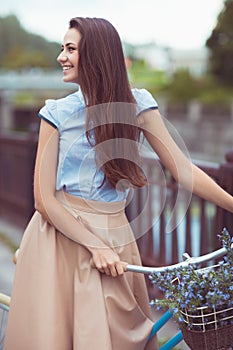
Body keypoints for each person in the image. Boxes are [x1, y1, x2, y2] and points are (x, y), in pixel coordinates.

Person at [4, 17, 233, 350]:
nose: (60, 57)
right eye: (62, 48)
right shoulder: (55, 113)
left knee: (119, 337)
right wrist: (94, 245)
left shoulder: (138, 105)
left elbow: (183, 171)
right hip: (60, 237)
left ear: (96, 55)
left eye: (70, 49)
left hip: (115, 234)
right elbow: (44, 199)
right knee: (55, 336)